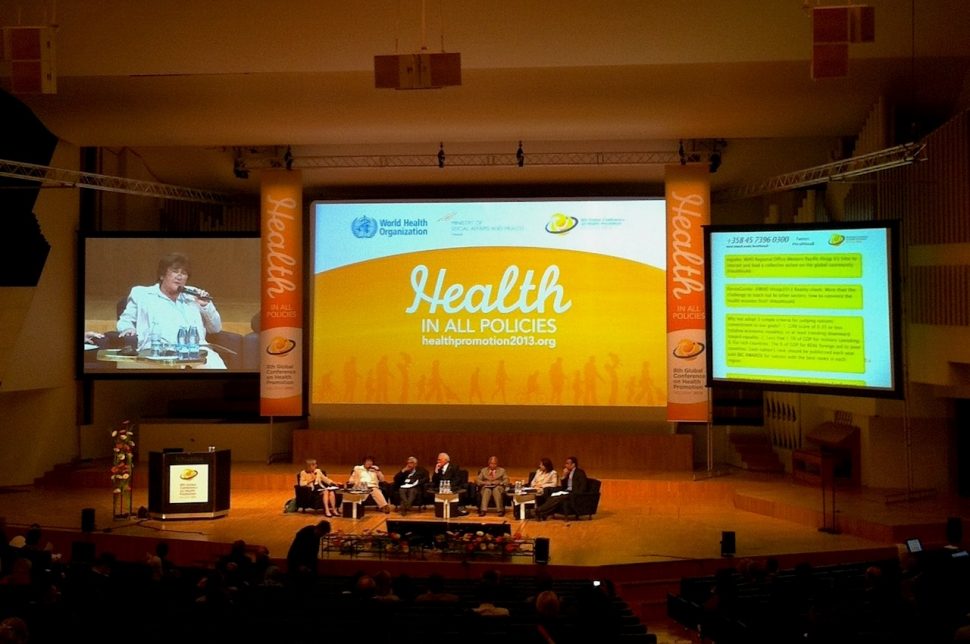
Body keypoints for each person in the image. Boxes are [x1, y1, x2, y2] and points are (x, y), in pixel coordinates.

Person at [116, 251, 226, 369]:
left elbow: (215, 328)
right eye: (175, 271)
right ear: (162, 275)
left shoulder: (194, 295)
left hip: (196, 352)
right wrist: (128, 328)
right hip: (158, 352)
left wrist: (205, 306)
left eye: (184, 273)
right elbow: (125, 320)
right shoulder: (142, 294)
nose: (179, 276)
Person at [535, 456, 589, 521]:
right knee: (553, 496)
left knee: (557, 498)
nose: (565, 465)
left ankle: (539, 510)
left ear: (573, 464)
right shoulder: (568, 472)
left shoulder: (580, 472)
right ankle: (543, 512)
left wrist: (575, 494)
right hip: (566, 491)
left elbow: (583, 487)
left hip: (573, 493)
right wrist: (564, 476)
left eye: (567, 463)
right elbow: (564, 486)